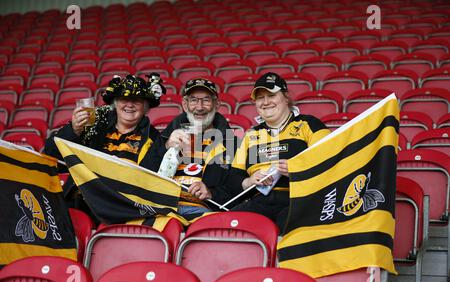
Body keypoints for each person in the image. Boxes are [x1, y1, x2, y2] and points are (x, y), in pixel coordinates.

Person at [44, 73, 166, 223]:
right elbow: (52, 155)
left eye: (136, 101)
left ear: (145, 107)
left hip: (121, 208)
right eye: (124, 99)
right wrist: (74, 130)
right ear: (115, 103)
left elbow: (151, 182)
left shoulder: (154, 139)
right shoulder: (93, 126)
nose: (129, 105)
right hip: (81, 203)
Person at [226, 72, 331, 230]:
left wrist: (299, 170)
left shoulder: (309, 124)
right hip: (258, 202)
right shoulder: (251, 135)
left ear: (286, 97)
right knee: (224, 227)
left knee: (288, 230)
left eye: (271, 95)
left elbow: (331, 159)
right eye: (260, 97)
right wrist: (249, 181)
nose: (266, 102)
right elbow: (233, 177)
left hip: (298, 199)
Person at [141, 78, 238, 218]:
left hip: (202, 211)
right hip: (161, 207)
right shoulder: (165, 138)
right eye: (193, 100)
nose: (199, 107)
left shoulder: (231, 143)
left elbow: (236, 189)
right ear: (185, 105)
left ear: (217, 104)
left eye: (206, 100)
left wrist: (211, 193)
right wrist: (166, 146)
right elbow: (144, 175)